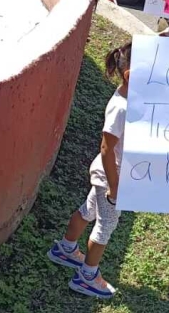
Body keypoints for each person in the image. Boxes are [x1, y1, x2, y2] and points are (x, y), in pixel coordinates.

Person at [47, 42, 132, 299]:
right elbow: (107, 148)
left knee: (89, 210)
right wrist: (114, 187)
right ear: (129, 73)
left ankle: (65, 249)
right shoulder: (121, 108)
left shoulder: (131, 97)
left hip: (107, 174)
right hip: (110, 176)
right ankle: (86, 276)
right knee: (106, 225)